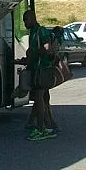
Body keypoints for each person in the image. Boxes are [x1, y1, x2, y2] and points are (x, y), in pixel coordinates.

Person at [23, 9, 57, 141]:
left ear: (32, 19)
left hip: (43, 69)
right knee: (41, 98)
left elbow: (47, 48)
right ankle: (44, 125)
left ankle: (42, 128)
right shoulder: (33, 32)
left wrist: (34, 53)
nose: (25, 23)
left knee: (39, 98)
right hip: (37, 69)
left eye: (26, 20)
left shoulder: (41, 30)